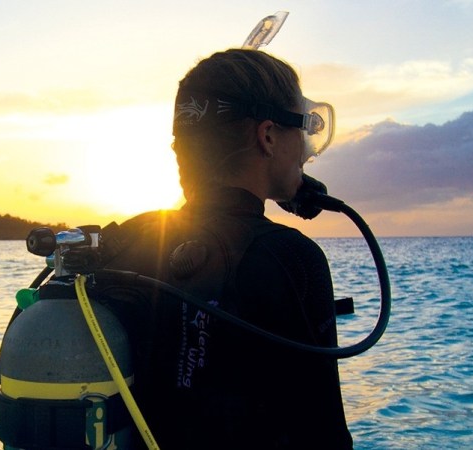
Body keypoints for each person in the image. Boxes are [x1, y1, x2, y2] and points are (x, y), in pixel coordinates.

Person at [98, 48, 353, 449]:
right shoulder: (289, 257)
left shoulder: (124, 242)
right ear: (267, 136)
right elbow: (323, 435)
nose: (305, 149)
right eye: (301, 130)